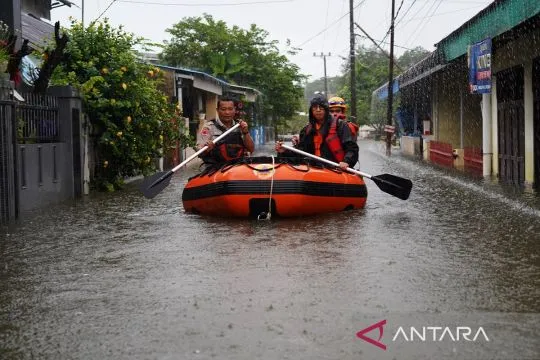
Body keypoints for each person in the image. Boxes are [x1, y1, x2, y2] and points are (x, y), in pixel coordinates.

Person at [275, 94, 358, 170]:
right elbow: (300, 152)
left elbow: (351, 148)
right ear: (311, 110)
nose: (318, 110)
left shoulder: (341, 126)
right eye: (315, 107)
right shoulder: (306, 130)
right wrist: (285, 151)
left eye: (321, 107)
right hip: (312, 168)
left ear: (326, 109)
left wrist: (346, 161)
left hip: (334, 168)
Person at [197, 96, 254, 170]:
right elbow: (199, 151)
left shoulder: (240, 126)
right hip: (214, 169)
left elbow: (251, 149)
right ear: (217, 110)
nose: (227, 112)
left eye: (230, 109)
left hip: (238, 168)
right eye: (223, 109)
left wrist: (246, 132)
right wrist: (206, 149)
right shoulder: (209, 127)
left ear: (235, 110)